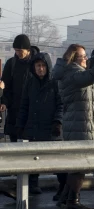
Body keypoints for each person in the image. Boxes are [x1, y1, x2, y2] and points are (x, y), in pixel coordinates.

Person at [52, 43, 94, 209]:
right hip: (79, 125)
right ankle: (73, 201)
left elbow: (91, 70)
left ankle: (66, 198)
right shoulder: (73, 74)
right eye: (83, 56)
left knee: (79, 165)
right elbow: (93, 75)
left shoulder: (72, 71)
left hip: (83, 124)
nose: (86, 58)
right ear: (73, 58)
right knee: (80, 166)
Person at [16, 53, 65, 201]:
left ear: (47, 67)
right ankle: (32, 184)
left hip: (51, 129)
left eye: (43, 66)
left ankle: (63, 188)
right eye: (38, 66)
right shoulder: (30, 83)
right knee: (33, 158)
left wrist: (58, 122)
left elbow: (61, 104)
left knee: (58, 162)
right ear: (34, 67)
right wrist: (20, 125)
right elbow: (24, 105)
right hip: (33, 128)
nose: (40, 69)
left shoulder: (55, 82)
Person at [0, 34, 41, 197]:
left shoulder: (37, 63)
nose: (18, 53)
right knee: (17, 148)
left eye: (20, 51)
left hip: (33, 112)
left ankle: (33, 182)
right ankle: (20, 181)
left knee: (33, 148)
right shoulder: (12, 64)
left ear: (28, 49)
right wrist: (4, 101)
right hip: (16, 112)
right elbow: (6, 86)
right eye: (16, 51)